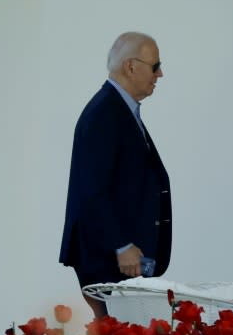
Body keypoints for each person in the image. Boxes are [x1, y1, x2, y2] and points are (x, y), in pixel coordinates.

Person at [59, 32, 172, 318]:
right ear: (131, 66)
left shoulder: (118, 109)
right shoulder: (105, 113)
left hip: (119, 260)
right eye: (155, 65)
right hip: (109, 259)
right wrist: (121, 245)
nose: (160, 73)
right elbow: (92, 190)